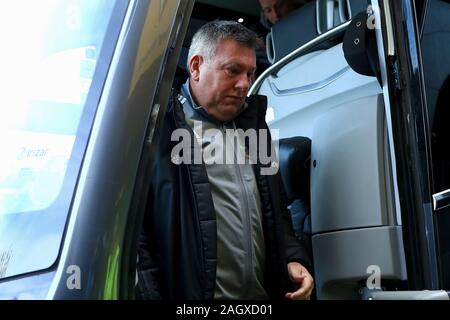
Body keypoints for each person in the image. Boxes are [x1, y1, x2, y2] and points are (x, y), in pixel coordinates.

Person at [137, 20, 314, 300]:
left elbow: (278, 209)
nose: (245, 84)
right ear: (195, 66)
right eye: (233, 70)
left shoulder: (255, 126)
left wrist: (292, 259)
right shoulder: (160, 130)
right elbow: (138, 237)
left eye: (250, 73)